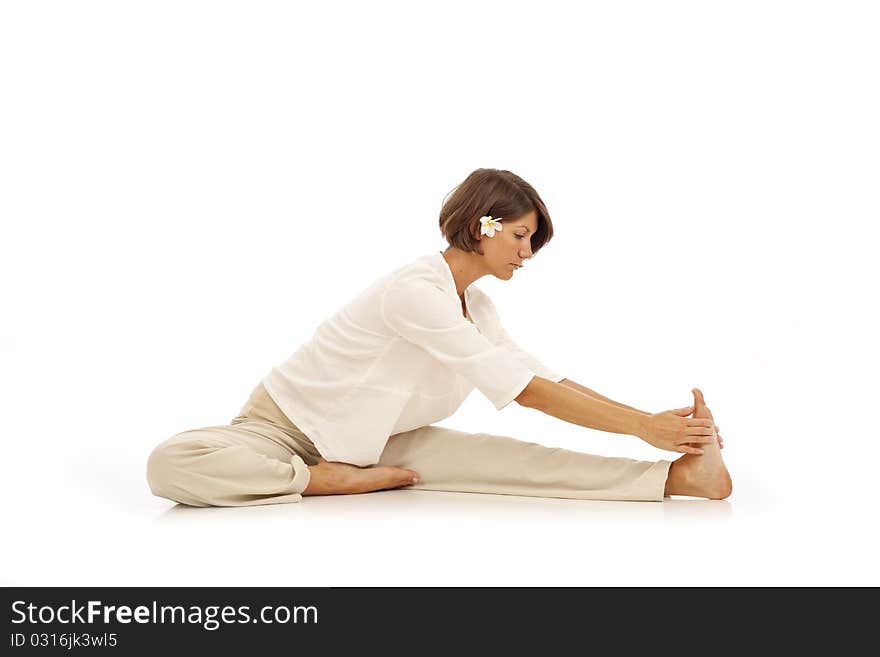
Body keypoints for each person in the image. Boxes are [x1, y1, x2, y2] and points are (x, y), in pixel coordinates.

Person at [146, 168, 732, 507]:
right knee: (171, 463)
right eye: (520, 236)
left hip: (374, 444)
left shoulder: (474, 305)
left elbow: (539, 378)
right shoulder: (415, 291)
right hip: (284, 430)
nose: (526, 254)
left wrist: (654, 425)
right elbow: (523, 391)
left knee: (514, 463)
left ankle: (679, 479)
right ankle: (313, 482)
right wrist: (642, 428)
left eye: (533, 241)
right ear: (482, 226)